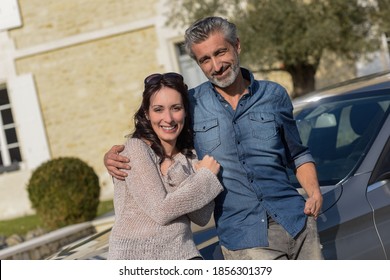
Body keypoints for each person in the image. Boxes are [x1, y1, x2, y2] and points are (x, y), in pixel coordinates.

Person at [105, 17, 323, 260]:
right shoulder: (191, 105)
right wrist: (113, 157)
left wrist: (313, 192)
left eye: (220, 52)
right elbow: (160, 137)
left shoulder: (275, 95)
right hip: (245, 239)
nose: (216, 65)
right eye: (205, 60)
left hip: (297, 222)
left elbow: (297, 153)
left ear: (237, 45)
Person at [107, 72, 223, 260]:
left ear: (185, 110)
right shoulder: (135, 149)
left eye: (176, 108)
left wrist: (178, 172)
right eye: (158, 109)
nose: (168, 119)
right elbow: (161, 211)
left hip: (183, 255)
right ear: (146, 112)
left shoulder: (189, 157)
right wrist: (203, 177)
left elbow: (201, 217)